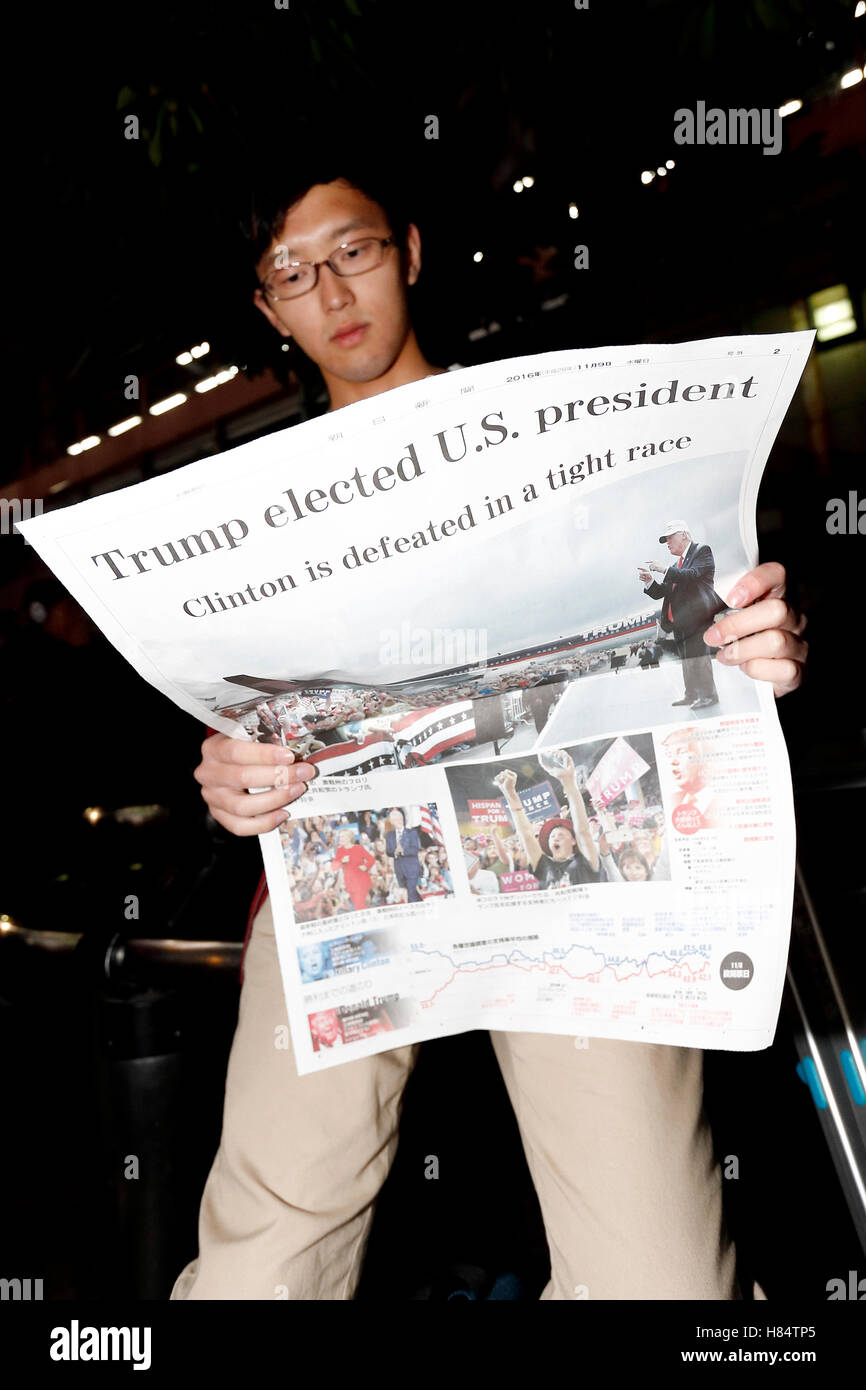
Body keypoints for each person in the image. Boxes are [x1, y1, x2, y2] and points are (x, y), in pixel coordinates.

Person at [175, 152, 808, 1303]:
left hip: (575, 857)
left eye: (352, 250)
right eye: (290, 272)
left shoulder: (558, 440)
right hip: (343, 869)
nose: (330, 293)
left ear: (407, 251)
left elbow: (687, 616)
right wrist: (228, 772)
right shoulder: (239, 517)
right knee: (264, 1252)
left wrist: (757, 643)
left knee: (655, 1273)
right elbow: (235, 713)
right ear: (264, 305)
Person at [639, 520, 727, 710]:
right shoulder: (676, 565)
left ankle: (708, 696)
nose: (668, 543)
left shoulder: (702, 551)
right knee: (687, 659)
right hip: (680, 621)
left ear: (684, 535)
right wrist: (649, 582)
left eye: (670, 538)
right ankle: (691, 695)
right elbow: (662, 592)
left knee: (698, 657)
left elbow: (693, 575)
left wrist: (664, 569)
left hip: (698, 616)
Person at [384, 807, 423, 903]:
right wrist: (395, 852)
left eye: (400, 819)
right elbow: (388, 852)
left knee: (411, 895)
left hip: (412, 869)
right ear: (392, 822)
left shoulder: (412, 833)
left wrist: (403, 851)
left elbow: (415, 849)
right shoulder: (389, 835)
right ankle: (422, 905)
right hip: (399, 870)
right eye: (396, 820)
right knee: (412, 893)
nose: (399, 821)